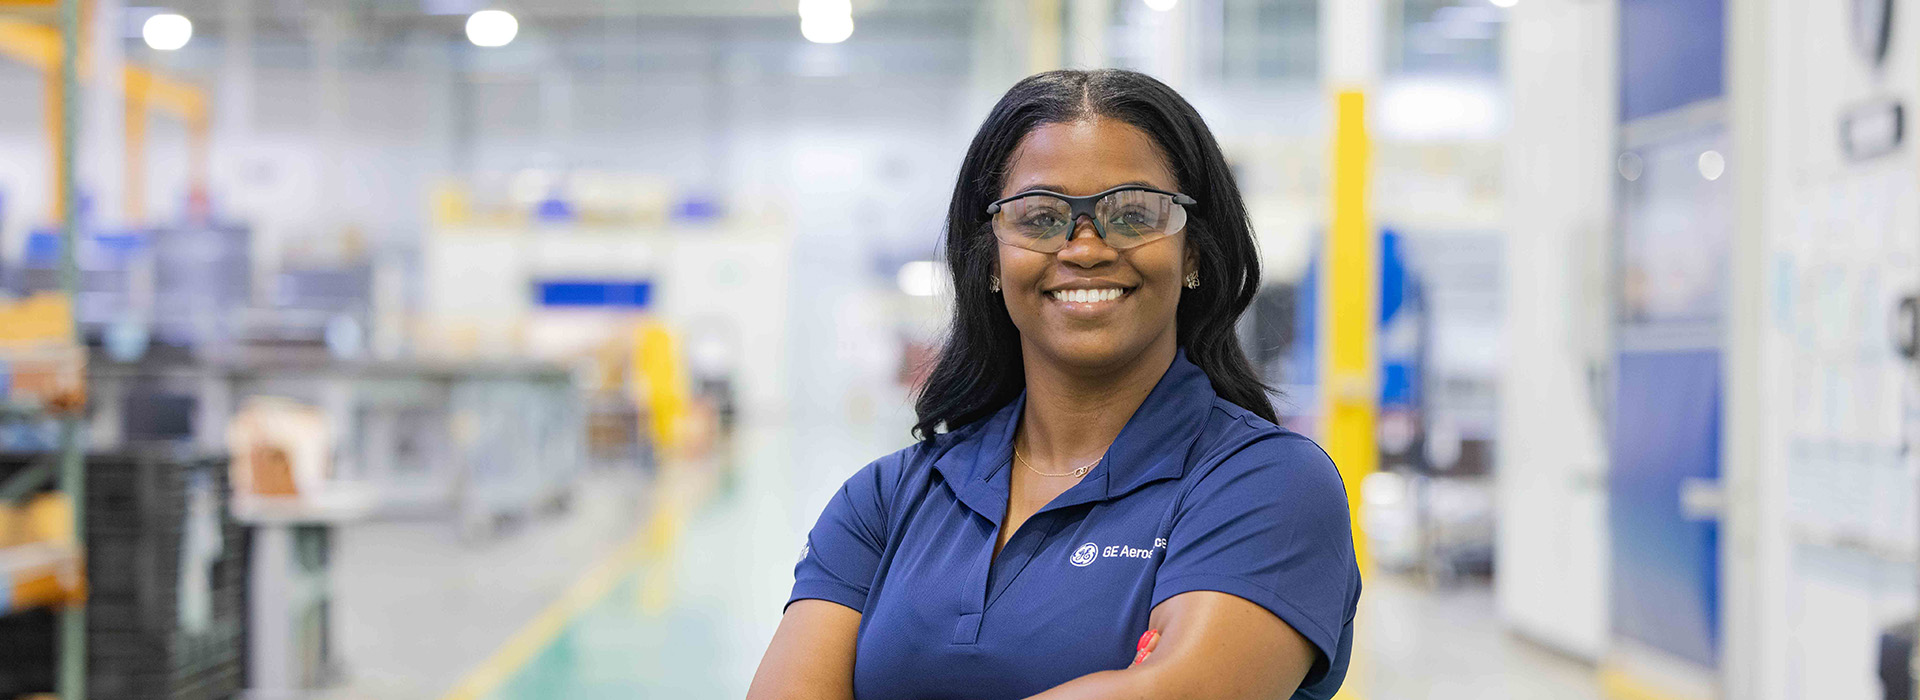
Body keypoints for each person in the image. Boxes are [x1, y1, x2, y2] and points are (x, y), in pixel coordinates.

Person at [747, 69, 1360, 700]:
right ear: (989, 258)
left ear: (1194, 254)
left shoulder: (1266, 486)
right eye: (1041, 218)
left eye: (1132, 213)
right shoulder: (886, 501)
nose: (1086, 248)